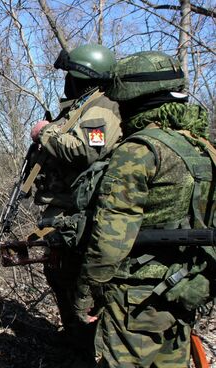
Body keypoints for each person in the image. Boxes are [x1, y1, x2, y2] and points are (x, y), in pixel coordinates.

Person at [73, 51, 214, 367]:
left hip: (135, 297)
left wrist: (84, 294)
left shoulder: (139, 150)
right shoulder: (201, 146)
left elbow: (110, 241)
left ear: (132, 99)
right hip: (183, 286)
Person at [28, 44, 122, 344]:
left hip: (77, 213)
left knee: (70, 278)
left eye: (70, 75)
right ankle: (77, 341)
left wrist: (44, 132)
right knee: (59, 274)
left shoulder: (100, 109)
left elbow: (86, 150)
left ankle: (83, 345)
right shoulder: (83, 106)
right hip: (65, 209)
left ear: (82, 76)